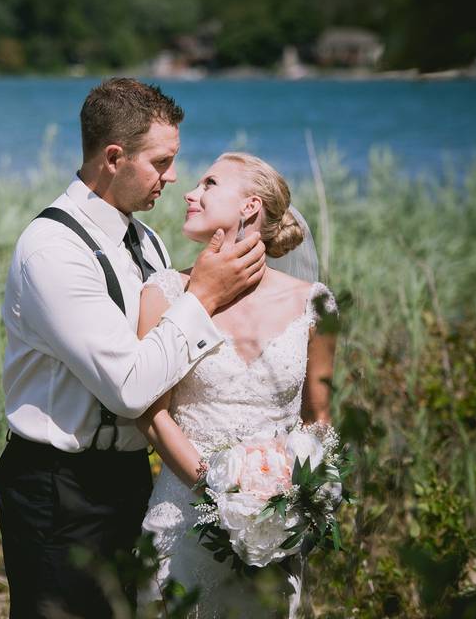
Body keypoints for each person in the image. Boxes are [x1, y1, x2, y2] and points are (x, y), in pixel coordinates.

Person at [0, 78, 268, 618]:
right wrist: (205, 295)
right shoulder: (54, 251)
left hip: (132, 479)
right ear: (114, 158)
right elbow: (129, 387)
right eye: (162, 163)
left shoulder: (146, 240)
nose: (173, 178)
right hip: (58, 488)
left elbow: (168, 361)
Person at [136, 152, 337, 619]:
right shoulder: (163, 292)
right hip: (180, 519)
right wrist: (220, 492)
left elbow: (318, 418)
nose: (189, 191)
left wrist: (306, 494)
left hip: (274, 532)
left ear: (249, 207)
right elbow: (151, 413)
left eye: (209, 183)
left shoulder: (315, 304)